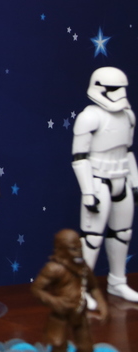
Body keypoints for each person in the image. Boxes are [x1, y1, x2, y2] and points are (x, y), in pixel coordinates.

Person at [72, 66, 138, 301]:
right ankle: (81, 290)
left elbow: (127, 151)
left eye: (121, 89)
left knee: (123, 233)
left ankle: (117, 281)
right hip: (98, 180)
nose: (119, 94)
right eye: (112, 89)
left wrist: (135, 183)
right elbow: (79, 158)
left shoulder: (128, 116)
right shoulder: (90, 116)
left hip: (122, 178)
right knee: (92, 237)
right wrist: (88, 192)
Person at [32, 228, 107, 352]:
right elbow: (36, 289)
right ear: (61, 249)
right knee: (59, 346)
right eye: (73, 249)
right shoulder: (53, 268)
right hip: (60, 315)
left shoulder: (83, 268)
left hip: (79, 313)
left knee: (86, 347)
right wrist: (55, 302)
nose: (78, 253)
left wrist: (102, 304)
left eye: (80, 248)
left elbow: (93, 287)